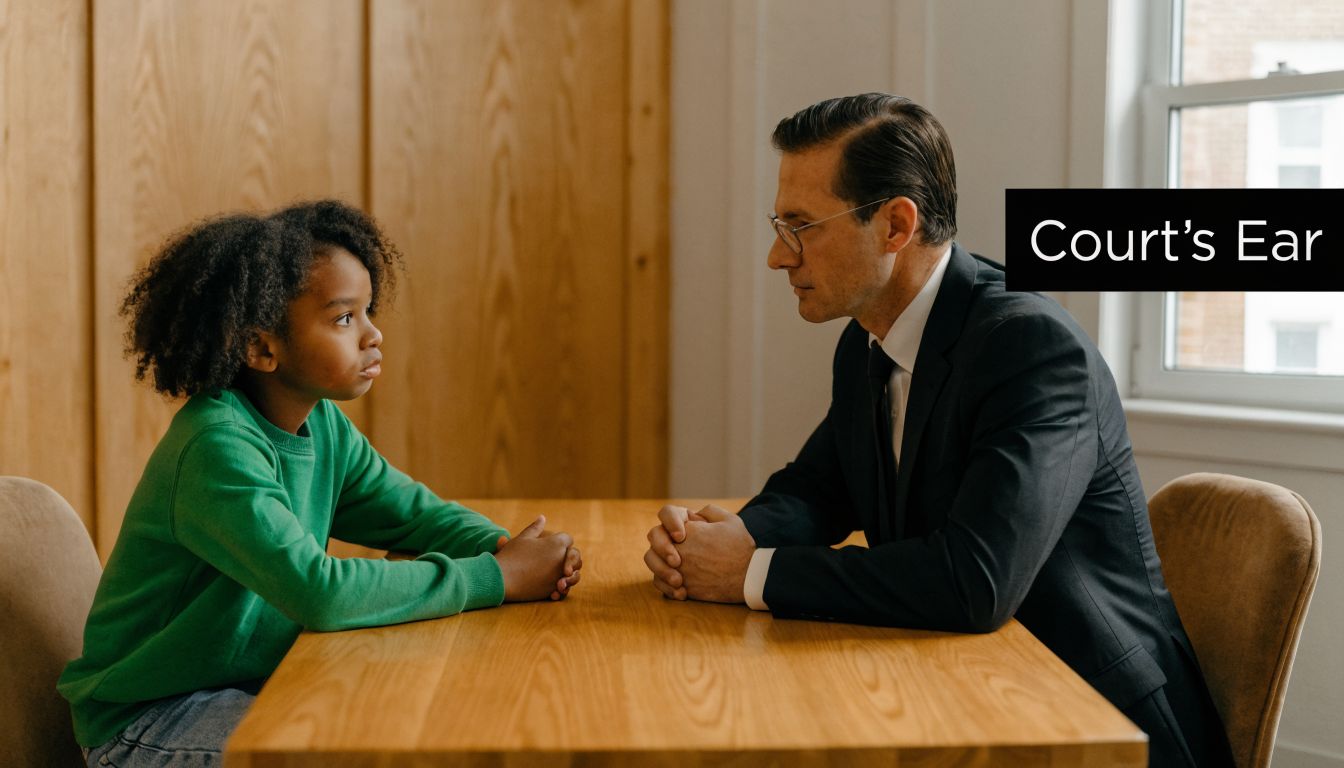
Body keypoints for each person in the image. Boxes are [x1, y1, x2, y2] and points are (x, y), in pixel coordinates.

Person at [642, 94, 1233, 767]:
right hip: (965, 691)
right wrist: (726, 541)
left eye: (802, 226)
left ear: (895, 225)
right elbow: (818, 486)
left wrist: (754, 574)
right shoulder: (868, 338)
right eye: (781, 224)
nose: (780, 256)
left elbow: (973, 582)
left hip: (1096, 725)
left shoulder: (1030, 348)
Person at [58, 200, 583, 768]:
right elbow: (322, 593)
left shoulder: (321, 424)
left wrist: (506, 547)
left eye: (367, 311)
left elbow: (412, 515)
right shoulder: (216, 449)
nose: (373, 334)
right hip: (149, 722)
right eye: (343, 319)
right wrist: (498, 577)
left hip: (256, 686)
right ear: (261, 348)